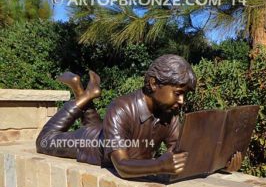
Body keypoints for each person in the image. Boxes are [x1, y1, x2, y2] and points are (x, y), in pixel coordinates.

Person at [36, 54, 242, 178]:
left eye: (184, 95)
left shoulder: (169, 115)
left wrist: (220, 164)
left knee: (96, 123)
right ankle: (85, 95)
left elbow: (181, 156)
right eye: (178, 93)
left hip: (104, 132)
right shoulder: (121, 108)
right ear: (154, 84)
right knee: (45, 140)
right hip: (88, 142)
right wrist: (160, 165)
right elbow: (122, 167)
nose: (182, 101)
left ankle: (82, 91)